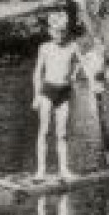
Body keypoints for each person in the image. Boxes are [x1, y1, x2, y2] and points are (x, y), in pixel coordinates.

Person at [32, 11, 87, 179]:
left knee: (62, 133)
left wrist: (75, 74)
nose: (59, 35)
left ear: (66, 31)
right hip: (48, 91)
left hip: (64, 92)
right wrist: (36, 95)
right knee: (44, 130)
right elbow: (37, 73)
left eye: (62, 31)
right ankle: (41, 170)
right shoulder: (45, 48)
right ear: (50, 31)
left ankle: (64, 169)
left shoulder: (73, 46)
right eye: (56, 31)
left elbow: (82, 62)